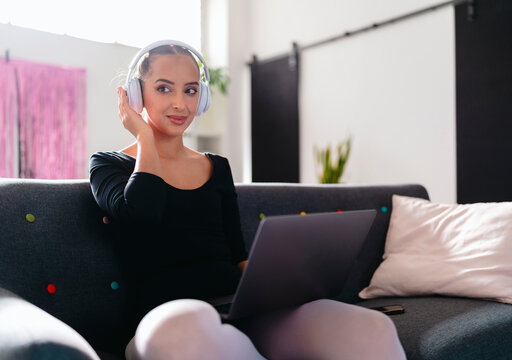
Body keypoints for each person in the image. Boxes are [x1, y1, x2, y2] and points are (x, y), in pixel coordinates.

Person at [89, 40, 406, 360]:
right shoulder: (107, 165)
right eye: (164, 88)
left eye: (190, 90)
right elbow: (143, 212)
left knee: (371, 328)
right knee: (190, 332)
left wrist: (281, 284)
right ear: (134, 93)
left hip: (237, 309)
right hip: (166, 320)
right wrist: (144, 137)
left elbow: (237, 254)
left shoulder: (216, 166)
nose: (180, 104)